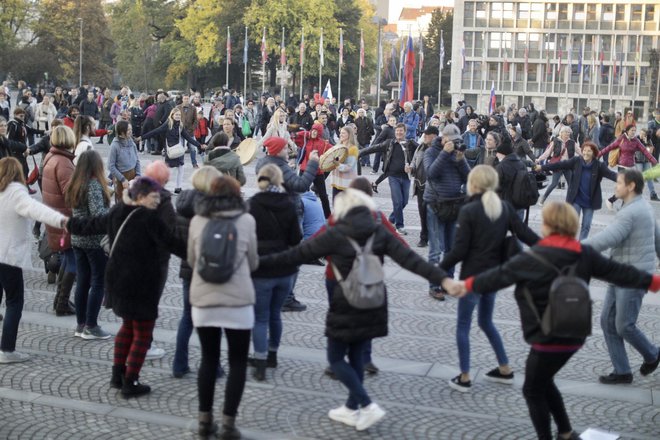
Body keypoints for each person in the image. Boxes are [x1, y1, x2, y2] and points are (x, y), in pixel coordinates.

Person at [258, 189, 459, 432]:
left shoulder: (336, 233)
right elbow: (411, 260)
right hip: (375, 301)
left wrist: (260, 262)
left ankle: (366, 404)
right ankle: (352, 409)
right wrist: (443, 279)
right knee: (356, 356)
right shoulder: (380, 232)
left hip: (346, 302)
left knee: (335, 358)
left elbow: (297, 254)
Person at [463, 201, 660, 440]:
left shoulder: (534, 257)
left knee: (532, 390)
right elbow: (619, 272)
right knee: (544, 381)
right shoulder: (583, 253)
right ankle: (565, 432)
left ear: (547, 225)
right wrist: (652, 282)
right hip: (574, 333)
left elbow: (497, 277)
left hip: (547, 336)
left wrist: (465, 285)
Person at [68, 176, 185, 397]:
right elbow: (174, 244)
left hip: (117, 278)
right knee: (142, 331)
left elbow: (91, 225)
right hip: (141, 283)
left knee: (127, 326)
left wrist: (68, 223)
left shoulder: (117, 212)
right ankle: (130, 382)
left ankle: (116, 375)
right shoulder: (150, 218)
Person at [441, 165, 539, 392]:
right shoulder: (503, 207)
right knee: (486, 322)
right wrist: (554, 248)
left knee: (463, 326)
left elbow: (459, 251)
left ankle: (464, 376)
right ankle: (504, 369)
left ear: (474, 184)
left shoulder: (469, 211)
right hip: (494, 276)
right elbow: (527, 235)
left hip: (472, 279)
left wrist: (438, 269)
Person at [187, 176, 257, 438]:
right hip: (238, 302)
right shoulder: (247, 220)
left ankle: (205, 421)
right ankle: (228, 424)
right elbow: (252, 262)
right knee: (237, 362)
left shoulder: (197, 220)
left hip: (204, 302)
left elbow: (193, 260)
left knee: (208, 358)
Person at [583, 169, 660, 385]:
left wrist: (574, 248)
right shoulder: (639, 206)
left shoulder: (631, 212)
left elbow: (607, 238)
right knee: (608, 322)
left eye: (618, 183)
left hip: (633, 276)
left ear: (631, 186)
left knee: (624, 325)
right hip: (621, 273)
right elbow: (657, 235)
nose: (615, 187)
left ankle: (653, 354)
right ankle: (623, 370)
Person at [0, 157, 68, 363]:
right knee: (14, 302)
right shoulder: (15, 193)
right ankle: (7, 350)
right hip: (7, 256)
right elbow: (36, 209)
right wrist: (62, 220)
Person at [248, 165, 302, 381]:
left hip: (261, 268)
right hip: (285, 269)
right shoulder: (288, 204)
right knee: (275, 314)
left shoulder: (252, 205)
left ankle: (260, 361)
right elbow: (296, 238)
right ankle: (272, 354)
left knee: (260, 317)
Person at [173, 166, 223, 379]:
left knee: (187, 317)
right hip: (208, 271)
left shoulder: (183, 204)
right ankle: (213, 365)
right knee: (211, 320)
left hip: (187, 268)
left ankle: (179, 364)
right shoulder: (212, 209)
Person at [65, 150, 112, 340]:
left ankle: (81, 324)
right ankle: (91, 326)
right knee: (98, 282)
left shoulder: (76, 183)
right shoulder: (92, 184)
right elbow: (98, 214)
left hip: (77, 239)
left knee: (83, 281)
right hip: (93, 240)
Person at [423, 127, 470, 300]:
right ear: (443, 139)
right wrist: (444, 153)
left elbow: (469, 177)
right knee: (435, 249)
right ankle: (435, 286)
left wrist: (461, 160)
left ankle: (448, 282)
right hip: (435, 205)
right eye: (452, 140)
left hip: (454, 205)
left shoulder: (456, 153)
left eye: (457, 140)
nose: (455, 143)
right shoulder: (430, 152)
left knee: (451, 249)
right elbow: (431, 174)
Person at [535, 142, 616, 239]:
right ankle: (569, 244)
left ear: (594, 153)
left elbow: (611, 175)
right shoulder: (576, 161)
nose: (585, 153)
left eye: (589, 151)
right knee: (572, 224)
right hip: (576, 199)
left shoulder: (599, 165)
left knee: (586, 226)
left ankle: (581, 245)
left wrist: (628, 179)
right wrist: (542, 167)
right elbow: (559, 165)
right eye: (584, 150)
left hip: (590, 201)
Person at [42, 126, 77, 316]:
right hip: (65, 220)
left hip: (55, 217)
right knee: (72, 261)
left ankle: (60, 300)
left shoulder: (50, 157)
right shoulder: (63, 162)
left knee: (67, 258)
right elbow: (71, 195)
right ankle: (62, 302)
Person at [358, 123, 416, 234]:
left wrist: (412, 166)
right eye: (397, 131)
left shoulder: (410, 144)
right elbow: (374, 148)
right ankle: (399, 226)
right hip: (393, 176)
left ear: (405, 132)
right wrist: (360, 153)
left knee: (404, 202)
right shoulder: (389, 143)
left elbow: (421, 151)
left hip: (406, 177)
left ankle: (390, 220)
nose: (399, 133)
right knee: (398, 202)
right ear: (395, 132)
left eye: (401, 131)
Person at [138, 107, 207, 194]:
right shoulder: (168, 124)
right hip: (170, 150)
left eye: (179, 115)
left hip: (178, 149)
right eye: (176, 115)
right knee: (169, 170)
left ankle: (178, 187)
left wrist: (199, 145)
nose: (178, 116)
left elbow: (188, 138)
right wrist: (142, 137)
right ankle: (163, 188)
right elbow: (155, 131)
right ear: (172, 115)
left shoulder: (180, 125)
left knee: (181, 168)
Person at [599, 124, 657, 209]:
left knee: (628, 187)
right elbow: (609, 147)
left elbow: (645, 151)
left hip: (631, 166)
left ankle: (614, 201)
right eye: (632, 130)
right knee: (626, 186)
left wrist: (654, 161)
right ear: (627, 131)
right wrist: (598, 154)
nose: (633, 132)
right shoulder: (622, 138)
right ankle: (617, 204)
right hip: (622, 166)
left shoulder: (636, 141)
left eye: (635, 130)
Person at [410, 126, 438, 247]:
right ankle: (424, 237)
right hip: (420, 185)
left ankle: (434, 236)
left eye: (428, 135)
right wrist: (410, 168)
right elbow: (414, 161)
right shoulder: (420, 147)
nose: (425, 136)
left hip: (434, 187)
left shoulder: (439, 149)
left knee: (433, 213)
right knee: (422, 213)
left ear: (435, 136)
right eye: (424, 135)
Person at [297, 123, 332, 218]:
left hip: (318, 172)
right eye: (313, 130)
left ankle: (327, 215)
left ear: (320, 132)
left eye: (316, 131)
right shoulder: (305, 140)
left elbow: (333, 152)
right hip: (304, 169)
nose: (313, 132)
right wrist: (307, 133)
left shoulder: (324, 143)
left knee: (323, 195)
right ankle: (302, 213)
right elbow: (295, 136)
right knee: (302, 193)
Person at [536, 126, 576, 204]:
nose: (567, 134)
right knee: (554, 184)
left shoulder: (572, 142)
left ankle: (571, 202)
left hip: (568, 166)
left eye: (569, 132)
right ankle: (543, 199)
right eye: (566, 132)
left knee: (571, 185)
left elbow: (580, 151)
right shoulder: (556, 141)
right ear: (561, 133)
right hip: (558, 165)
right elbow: (548, 152)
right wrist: (539, 159)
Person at [108, 120, 141, 203]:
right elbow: (111, 166)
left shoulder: (132, 143)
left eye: (131, 129)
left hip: (133, 175)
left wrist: (138, 175)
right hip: (121, 177)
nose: (130, 132)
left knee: (133, 201)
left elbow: (137, 160)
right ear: (121, 132)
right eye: (128, 130)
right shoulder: (115, 145)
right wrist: (122, 179)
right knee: (121, 203)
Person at [330, 126, 359, 199]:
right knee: (335, 206)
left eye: (343, 133)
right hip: (337, 182)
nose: (340, 135)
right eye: (340, 133)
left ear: (349, 135)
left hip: (346, 183)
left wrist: (337, 164)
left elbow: (349, 167)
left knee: (344, 208)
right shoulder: (338, 145)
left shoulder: (353, 149)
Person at [635, 128, 658, 200]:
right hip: (638, 161)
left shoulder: (648, 140)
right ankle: (636, 195)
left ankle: (653, 194)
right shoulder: (636, 139)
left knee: (649, 177)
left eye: (643, 134)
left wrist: (646, 142)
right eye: (641, 133)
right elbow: (637, 149)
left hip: (646, 161)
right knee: (639, 178)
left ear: (646, 135)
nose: (641, 135)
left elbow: (649, 151)